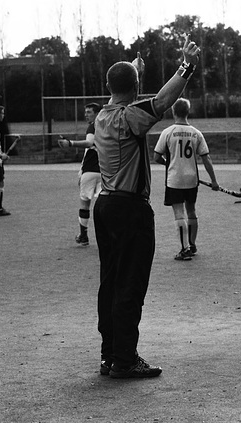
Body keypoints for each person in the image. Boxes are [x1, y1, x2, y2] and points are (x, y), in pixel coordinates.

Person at [93, 38, 200, 379]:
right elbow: (162, 101)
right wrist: (186, 66)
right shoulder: (130, 118)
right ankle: (125, 359)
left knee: (110, 282)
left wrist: (134, 71)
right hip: (130, 210)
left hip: (105, 205)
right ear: (135, 87)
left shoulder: (103, 115)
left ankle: (110, 354)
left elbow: (125, 89)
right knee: (131, 285)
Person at [153, 98, 219, 261]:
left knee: (179, 213)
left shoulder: (167, 132)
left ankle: (184, 249)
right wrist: (214, 181)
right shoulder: (196, 133)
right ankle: (192, 244)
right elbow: (206, 158)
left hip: (174, 178)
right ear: (188, 112)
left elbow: (156, 156)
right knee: (191, 210)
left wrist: (168, 164)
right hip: (192, 179)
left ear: (174, 112)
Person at [58, 102, 102, 246]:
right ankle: (108, 237)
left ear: (97, 113)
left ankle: (83, 236)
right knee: (104, 205)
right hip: (105, 171)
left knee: (85, 204)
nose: (86, 114)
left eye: (89, 112)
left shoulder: (93, 126)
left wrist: (70, 143)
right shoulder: (107, 126)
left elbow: (89, 143)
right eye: (86, 111)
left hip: (90, 172)